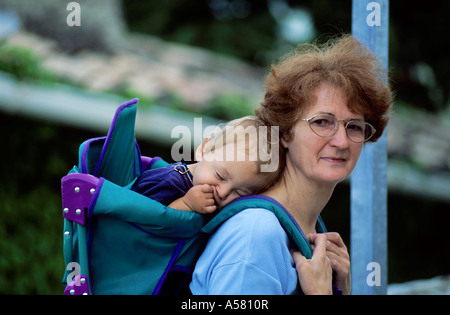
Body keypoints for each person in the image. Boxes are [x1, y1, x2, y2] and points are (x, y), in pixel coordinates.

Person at [189, 35, 393, 295]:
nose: (342, 141)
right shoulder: (257, 234)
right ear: (284, 133)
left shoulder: (305, 230)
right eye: (321, 122)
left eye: (354, 126)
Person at [132, 115, 281, 214]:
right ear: (203, 151)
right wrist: (186, 204)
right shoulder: (167, 182)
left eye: (240, 193)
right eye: (220, 176)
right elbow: (136, 217)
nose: (223, 193)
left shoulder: (220, 205)